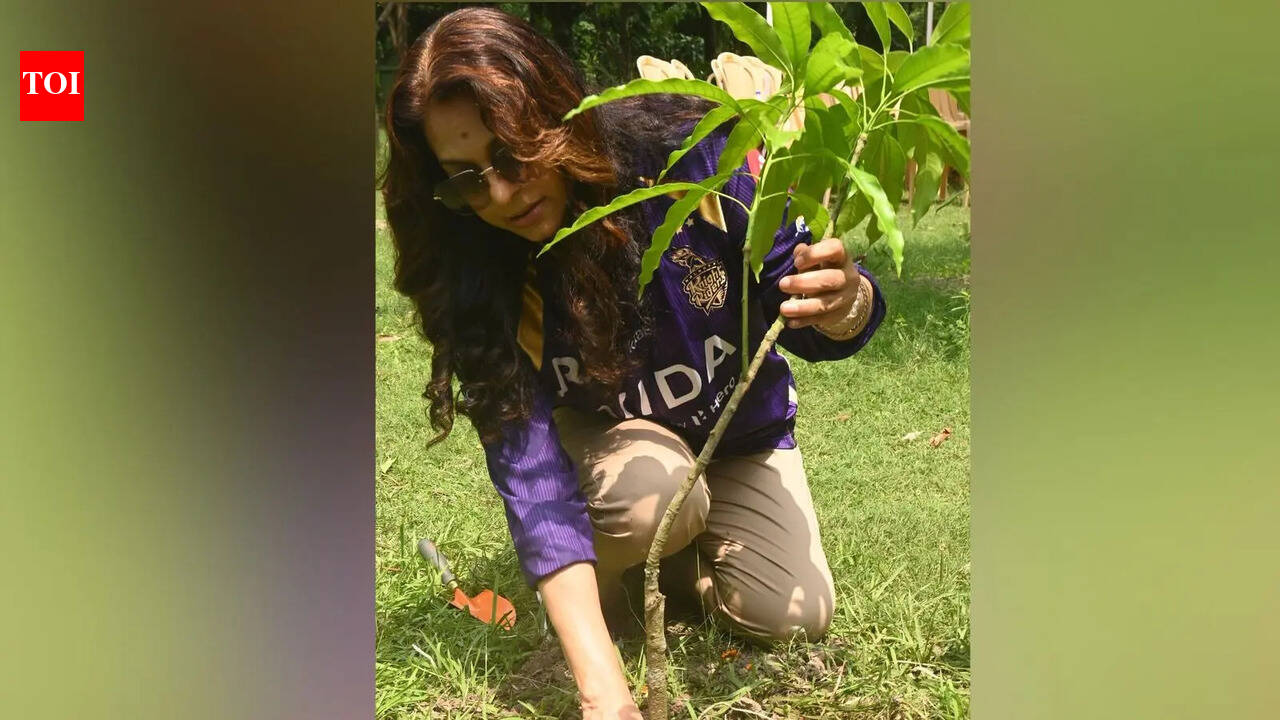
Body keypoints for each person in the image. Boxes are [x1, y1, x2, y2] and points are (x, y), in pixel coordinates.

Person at [380, 8, 885, 719]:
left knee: (791, 617)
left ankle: (674, 560)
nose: (499, 195)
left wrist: (843, 301)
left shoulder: (693, 157)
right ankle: (634, 557)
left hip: (738, 435)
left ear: (558, 113)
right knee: (652, 492)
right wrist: (602, 687)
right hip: (621, 451)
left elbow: (807, 317)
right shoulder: (479, 268)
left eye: (514, 155)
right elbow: (530, 472)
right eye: (465, 178)